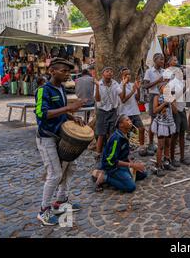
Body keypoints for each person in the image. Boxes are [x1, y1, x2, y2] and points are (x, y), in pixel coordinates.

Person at [34, 57, 86, 226]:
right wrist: (69, 107)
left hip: (61, 136)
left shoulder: (61, 88)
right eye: (64, 71)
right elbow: (42, 114)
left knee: (70, 167)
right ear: (52, 71)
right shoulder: (43, 90)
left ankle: (61, 201)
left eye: (68, 71)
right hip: (47, 137)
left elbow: (61, 113)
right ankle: (44, 211)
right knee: (55, 173)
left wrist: (72, 116)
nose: (67, 74)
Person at [93, 114, 148, 193]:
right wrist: (132, 165)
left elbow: (124, 153)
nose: (130, 122)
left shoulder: (126, 134)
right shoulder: (116, 139)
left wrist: (131, 163)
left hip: (121, 163)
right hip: (112, 167)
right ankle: (105, 177)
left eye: (130, 120)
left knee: (143, 173)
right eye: (127, 120)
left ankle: (123, 175)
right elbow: (111, 160)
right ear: (121, 125)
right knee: (130, 187)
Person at [94, 67, 123, 157]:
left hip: (113, 111)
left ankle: (112, 152)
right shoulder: (99, 84)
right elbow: (97, 99)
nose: (109, 73)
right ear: (103, 74)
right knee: (101, 134)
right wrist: (98, 87)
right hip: (102, 111)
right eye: (107, 71)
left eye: (111, 71)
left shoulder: (115, 83)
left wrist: (124, 85)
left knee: (112, 133)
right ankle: (98, 153)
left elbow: (122, 96)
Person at [151, 83, 177, 176]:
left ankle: (166, 162)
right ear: (160, 88)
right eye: (165, 87)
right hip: (161, 123)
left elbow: (175, 111)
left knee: (167, 144)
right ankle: (158, 165)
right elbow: (154, 110)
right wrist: (165, 103)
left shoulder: (171, 97)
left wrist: (171, 102)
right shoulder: (157, 97)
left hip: (169, 123)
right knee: (160, 145)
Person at [143, 53, 166, 155]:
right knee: (153, 120)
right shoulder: (149, 71)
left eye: (163, 60)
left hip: (163, 96)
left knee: (163, 119)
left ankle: (161, 142)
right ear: (155, 60)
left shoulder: (164, 71)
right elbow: (145, 86)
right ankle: (151, 143)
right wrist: (158, 81)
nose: (162, 61)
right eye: (161, 59)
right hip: (153, 96)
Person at [118, 67, 144, 154]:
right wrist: (133, 91)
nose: (128, 76)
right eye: (126, 75)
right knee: (126, 131)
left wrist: (138, 89)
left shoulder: (133, 84)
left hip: (134, 111)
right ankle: (126, 148)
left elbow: (137, 98)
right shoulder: (120, 86)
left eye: (129, 74)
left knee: (141, 128)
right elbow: (123, 100)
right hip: (125, 112)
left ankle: (141, 146)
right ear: (122, 76)